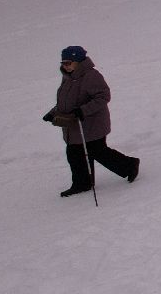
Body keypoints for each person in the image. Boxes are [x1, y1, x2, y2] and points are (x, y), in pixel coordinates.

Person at [45, 45, 139, 198]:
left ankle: (130, 165)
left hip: (92, 124)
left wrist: (83, 110)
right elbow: (64, 102)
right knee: (74, 154)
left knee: (98, 152)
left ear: (78, 61)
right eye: (63, 63)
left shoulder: (91, 76)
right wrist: (52, 113)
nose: (65, 66)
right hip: (74, 126)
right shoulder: (68, 78)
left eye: (68, 63)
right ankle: (82, 183)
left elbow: (103, 97)